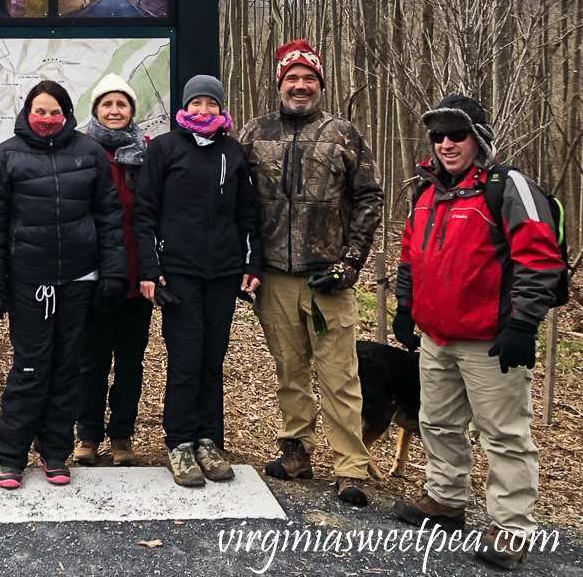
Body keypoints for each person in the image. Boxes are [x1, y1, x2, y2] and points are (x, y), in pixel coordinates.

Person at [392, 94, 563, 569]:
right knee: (437, 423)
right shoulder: (425, 191)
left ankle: (512, 528)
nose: (446, 143)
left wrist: (524, 324)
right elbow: (409, 254)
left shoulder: (506, 188)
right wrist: (405, 308)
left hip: (491, 338)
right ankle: (445, 501)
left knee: (505, 435)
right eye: (438, 135)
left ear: (479, 138)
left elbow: (540, 259)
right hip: (436, 336)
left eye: (457, 134)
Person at [239, 40, 384, 507]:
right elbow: (233, 201)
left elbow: (370, 198)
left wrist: (351, 262)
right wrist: (245, 261)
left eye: (309, 79)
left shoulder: (343, 133)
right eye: (292, 79)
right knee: (290, 369)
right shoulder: (254, 134)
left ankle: (351, 468)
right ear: (279, 83)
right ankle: (295, 451)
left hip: (329, 279)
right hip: (274, 276)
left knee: (340, 374)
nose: (300, 86)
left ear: (320, 84)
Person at [0, 80, 128, 489]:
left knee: (67, 370)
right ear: (27, 112)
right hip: (29, 283)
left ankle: (55, 452)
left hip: (79, 281)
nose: (47, 118)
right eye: (39, 111)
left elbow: (109, 218)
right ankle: (10, 456)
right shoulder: (5, 158)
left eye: (54, 111)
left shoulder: (89, 153)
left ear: (67, 114)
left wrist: (114, 273)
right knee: (30, 368)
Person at [133, 75, 262, 487]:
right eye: (197, 103)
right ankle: (180, 443)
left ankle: (209, 439)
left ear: (221, 109)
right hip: (179, 274)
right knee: (185, 359)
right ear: (186, 107)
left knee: (212, 358)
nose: (204, 111)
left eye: (211, 104)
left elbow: (247, 215)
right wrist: (150, 270)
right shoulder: (165, 149)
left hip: (223, 274)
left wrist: (251, 263)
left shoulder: (233, 152)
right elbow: (145, 214)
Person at [73, 74, 154, 468]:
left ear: (131, 111)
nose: (115, 110)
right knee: (91, 361)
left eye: (122, 104)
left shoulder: (149, 151)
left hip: (139, 277)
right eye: (107, 104)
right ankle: (86, 435)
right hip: (94, 274)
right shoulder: (80, 150)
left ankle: (122, 437)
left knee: (130, 361)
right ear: (96, 110)